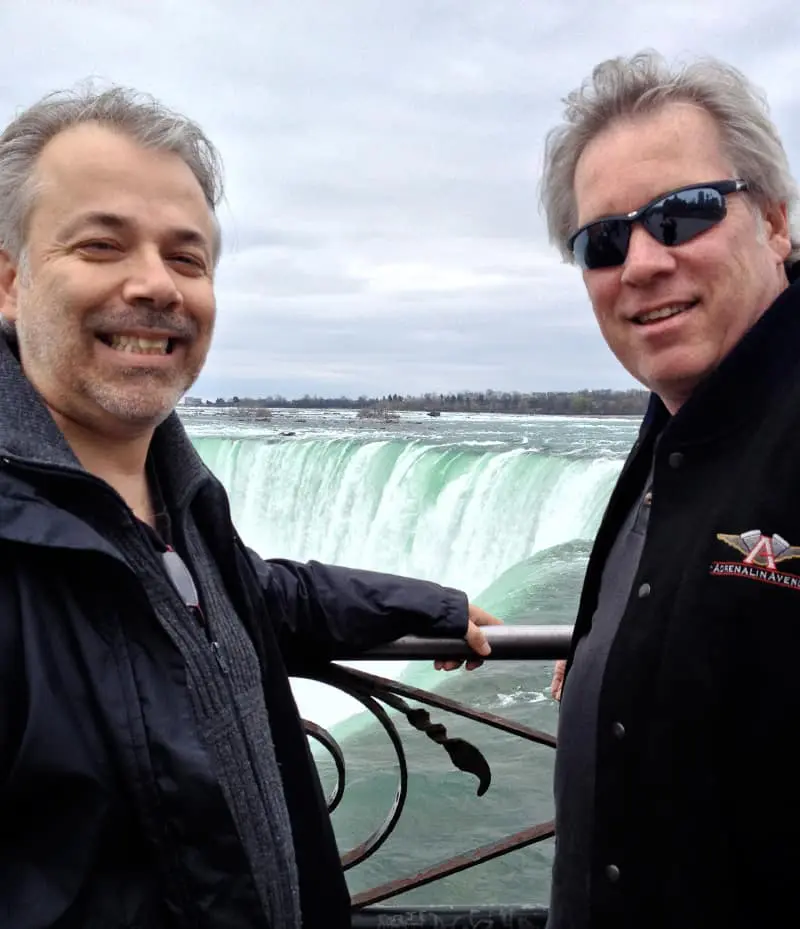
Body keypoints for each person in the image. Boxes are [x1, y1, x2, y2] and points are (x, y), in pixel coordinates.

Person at [0, 87, 502, 929]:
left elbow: (250, 597)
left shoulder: (180, 499)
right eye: (101, 245)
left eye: (187, 259)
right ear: (9, 282)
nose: (156, 284)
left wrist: (430, 605)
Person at [539, 50, 800, 929]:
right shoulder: (673, 425)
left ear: (775, 222)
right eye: (603, 240)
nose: (643, 262)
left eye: (683, 214)